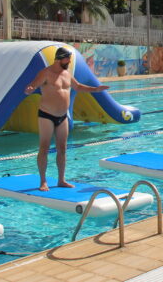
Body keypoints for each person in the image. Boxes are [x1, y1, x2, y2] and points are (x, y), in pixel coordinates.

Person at [25, 47, 108, 191]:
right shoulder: (46, 73)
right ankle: (43, 181)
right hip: (47, 115)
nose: (69, 61)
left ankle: (61, 180)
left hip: (63, 116)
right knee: (44, 148)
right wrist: (30, 88)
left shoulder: (67, 74)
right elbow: (33, 84)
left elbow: (78, 87)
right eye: (67, 59)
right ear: (59, 58)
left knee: (62, 149)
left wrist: (96, 89)